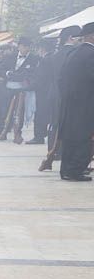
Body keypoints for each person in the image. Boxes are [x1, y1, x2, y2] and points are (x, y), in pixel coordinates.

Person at [57, 22, 94, 182]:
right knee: (84, 138)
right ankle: (75, 170)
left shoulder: (73, 52)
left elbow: (60, 79)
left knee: (70, 137)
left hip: (69, 103)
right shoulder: (91, 54)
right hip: (86, 103)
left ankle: (66, 170)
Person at [0, 38, 42, 144]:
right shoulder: (10, 57)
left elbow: (32, 73)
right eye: (24, 46)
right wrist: (8, 74)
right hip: (8, 87)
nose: (26, 48)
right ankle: (3, 131)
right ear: (19, 46)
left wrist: (17, 76)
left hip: (22, 88)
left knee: (19, 112)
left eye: (28, 46)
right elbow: (0, 70)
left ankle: (17, 133)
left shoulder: (35, 58)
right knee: (5, 110)